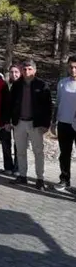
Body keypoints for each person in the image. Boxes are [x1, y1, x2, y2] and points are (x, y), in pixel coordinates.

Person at [10, 60, 52, 189]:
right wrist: (10, 121)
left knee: (38, 152)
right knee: (20, 151)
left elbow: (48, 107)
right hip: (19, 123)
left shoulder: (42, 85)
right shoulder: (16, 85)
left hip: (36, 124)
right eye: (24, 69)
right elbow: (10, 105)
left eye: (29, 69)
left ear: (34, 70)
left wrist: (46, 125)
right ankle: (22, 176)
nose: (26, 72)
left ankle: (40, 179)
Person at [54, 55, 76, 191]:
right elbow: (57, 103)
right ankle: (64, 179)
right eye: (71, 67)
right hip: (63, 123)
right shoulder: (62, 83)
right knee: (64, 154)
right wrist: (53, 121)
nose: (73, 70)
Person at [1, 64, 21, 175]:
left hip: (19, 121)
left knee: (18, 145)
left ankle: (17, 168)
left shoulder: (23, 86)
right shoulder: (6, 85)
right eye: (12, 72)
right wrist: (6, 121)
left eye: (16, 72)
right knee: (5, 143)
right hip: (6, 120)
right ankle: (8, 166)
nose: (14, 74)